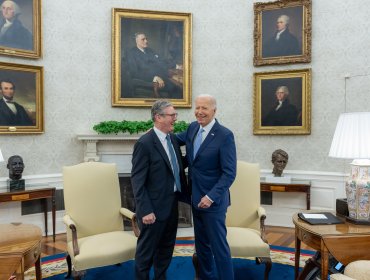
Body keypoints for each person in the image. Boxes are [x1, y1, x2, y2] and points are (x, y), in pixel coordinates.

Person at [176, 94, 237, 280]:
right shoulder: (193, 128)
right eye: (197, 108)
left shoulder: (225, 135)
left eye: (204, 108)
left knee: (219, 248)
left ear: (214, 111)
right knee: (201, 246)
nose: (199, 112)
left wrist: (210, 197)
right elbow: (172, 141)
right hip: (195, 199)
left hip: (213, 203)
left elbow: (229, 173)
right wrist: (155, 133)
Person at [131, 100, 189, 280]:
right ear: (158, 117)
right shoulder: (145, 143)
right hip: (152, 210)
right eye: (172, 115)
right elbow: (137, 181)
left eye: (175, 115)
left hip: (171, 204)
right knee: (146, 253)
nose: (175, 119)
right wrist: (145, 210)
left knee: (166, 249)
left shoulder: (172, 138)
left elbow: (176, 165)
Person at [126, 32, 182, 98]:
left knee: (180, 85)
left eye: (146, 39)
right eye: (143, 39)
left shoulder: (150, 50)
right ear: (136, 41)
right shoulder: (131, 53)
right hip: (149, 81)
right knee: (177, 89)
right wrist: (154, 77)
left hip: (163, 76)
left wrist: (176, 66)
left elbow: (162, 61)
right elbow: (134, 73)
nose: (146, 41)